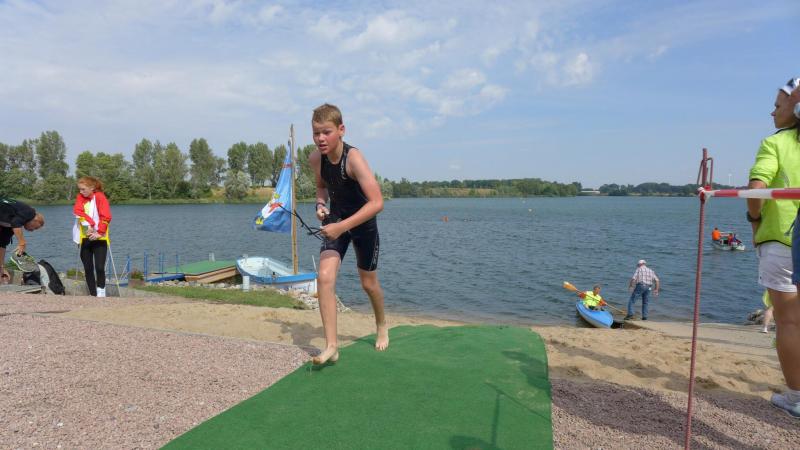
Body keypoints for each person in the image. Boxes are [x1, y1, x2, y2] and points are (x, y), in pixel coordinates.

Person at [308, 103, 388, 365]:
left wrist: (342, 226)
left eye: (327, 132)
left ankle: (381, 323)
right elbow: (321, 187)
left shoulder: (354, 159)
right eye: (316, 133)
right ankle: (332, 346)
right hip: (335, 221)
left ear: (341, 130)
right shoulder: (316, 159)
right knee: (324, 277)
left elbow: (377, 202)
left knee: (368, 284)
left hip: (363, 224)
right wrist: (320, 205)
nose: (321, 138)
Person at [748, 77, 800, 417]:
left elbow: (756, 191)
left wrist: (754, 222)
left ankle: (796, 397)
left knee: (790, 322)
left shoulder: (776, 143)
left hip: (782, 240)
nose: (772, 112)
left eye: (778, 106)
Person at [73, 176, 112, 297]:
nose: (81, 192)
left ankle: (101, 293)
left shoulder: (100, 197)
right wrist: (88, 226)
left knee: (99, 267)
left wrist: (99, 232)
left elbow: (106, 216)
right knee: (88, 268)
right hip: (85, 237)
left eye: (83, 189)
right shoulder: (80, 198)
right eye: (79, 189)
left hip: (100, 238)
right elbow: (78, 213)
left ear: (92, 188)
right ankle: (93, 294)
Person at [0, 198, 45, 284]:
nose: (32, 230)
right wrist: (22, 243)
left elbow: (2, 244)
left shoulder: (10, 224)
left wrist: (2, 267)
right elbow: (16, 223)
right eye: (35, 227)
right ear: (35, 219)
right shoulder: (30, 212)